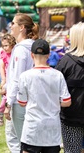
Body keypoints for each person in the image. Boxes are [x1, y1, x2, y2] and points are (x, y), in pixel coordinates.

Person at [17, 39, 71, 153]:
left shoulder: (25, 76)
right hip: (52, 130)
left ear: (32, 55)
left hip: (32, 129)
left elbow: (22, 102)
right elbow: (67, 101)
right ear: (48, 55)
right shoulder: (58, 75)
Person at [4, 13, 39, 152]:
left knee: (21, 142)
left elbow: (17, 78)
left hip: (20, 101)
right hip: (32, 98)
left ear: (22, 27)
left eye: (13, 24)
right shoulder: (33, 47)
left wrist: (8, 102)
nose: (10, 26)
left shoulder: (21, 50)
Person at [55, 22, 84, 153]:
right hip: (71, 117)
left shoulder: (66, 61)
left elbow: (55, 89)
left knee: (72, 151)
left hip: (70, 117)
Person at [0, 34, 16, 126]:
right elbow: (1, 67)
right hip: (8, 78)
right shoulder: (3, 54)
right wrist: (3, 79)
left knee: (8, 95)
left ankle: (3, 110)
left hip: (14, 78)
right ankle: (0, 111)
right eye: (3, 46)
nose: (5, 48)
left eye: (6, 45)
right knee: (6, 95)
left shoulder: (16, 53)